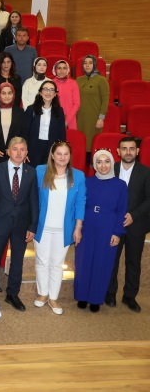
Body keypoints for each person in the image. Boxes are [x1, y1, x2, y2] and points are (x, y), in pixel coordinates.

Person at [0, 137, 39, 311]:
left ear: (27, 152)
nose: (18, 153)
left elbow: (34, 201)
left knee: (17, 261)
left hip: (22, 225)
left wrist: (32, 226)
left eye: (22, 149)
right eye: (15, 149)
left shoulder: (31, 173)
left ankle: (13, 294)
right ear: (8, 152)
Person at [76, 150, 128, 312]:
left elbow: (122, 210)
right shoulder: (87, 181)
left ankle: (95, 299)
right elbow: (79, 204)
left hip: (108, 226)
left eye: (106, 161)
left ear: (112, 163)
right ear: (94, 164)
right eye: (99, 162)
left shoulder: (120, 185)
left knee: (102, 262)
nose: (103, 165)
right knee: (84, 261)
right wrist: (78, 227)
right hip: (87, 225)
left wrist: (117, 232)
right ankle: (82, 295)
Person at [107, 137, 150, 312]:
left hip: (136, 225)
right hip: (113, 225)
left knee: (133, 262)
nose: (128, 152)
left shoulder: (146, 172)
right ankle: (110, 293)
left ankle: (129, 296)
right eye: (124, 149)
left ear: (137, 151)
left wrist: (134, 215)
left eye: (132, 149)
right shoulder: (110, 169)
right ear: (118, 151)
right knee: (112, 260)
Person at [23, 80, 66, 167]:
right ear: (40, 92)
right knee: (34, 172)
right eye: (45, 89)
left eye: (51, 90)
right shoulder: (31, 109)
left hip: (51, 148)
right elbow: (24, 132)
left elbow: (62, 133)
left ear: (55, 94)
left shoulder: (59, 111)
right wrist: (24, 150)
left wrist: (60, 151)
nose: (48, 92)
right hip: (33, 147)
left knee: (49, 172)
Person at [76, 55, 110, 156]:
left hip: (94, 118)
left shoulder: (101, 80)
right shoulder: (78, 80)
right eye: (85, 63)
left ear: (94, 65)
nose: (87, 65)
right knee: (80, 144)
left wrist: (101, 118)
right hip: (79, 117)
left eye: (90, 63)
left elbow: (105, 100)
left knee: (91, 145)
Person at [0, 82, 24, 167]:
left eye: (9, 93)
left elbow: (23, 133)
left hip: (14, 154)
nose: (7, 96)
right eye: (3, 93)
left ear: (13, 94)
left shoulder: (20, 112)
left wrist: (13, 148)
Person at [52, 60, 80, 129]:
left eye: (64, 68)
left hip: (70, 120)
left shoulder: (73, 83)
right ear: (55, 70)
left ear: (68, 70)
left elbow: (77, 103)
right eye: (59, 68)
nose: (62, 70)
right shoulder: (51, 83)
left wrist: (67, 120)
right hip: (54, 118)